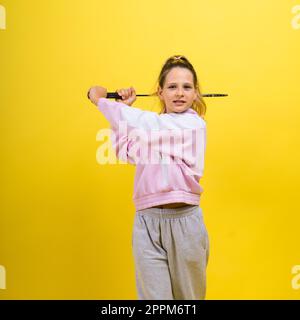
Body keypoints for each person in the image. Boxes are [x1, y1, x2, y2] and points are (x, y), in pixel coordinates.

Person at [87, 55, 210, 300]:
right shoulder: (152, 129)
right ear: (159, 92)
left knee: (189, 301)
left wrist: (99, 99)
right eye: (172, 87)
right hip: (147, 223)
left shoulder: (192, 125)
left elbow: (144, 124)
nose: (179, 93)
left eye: (187, 87)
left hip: (184, 223)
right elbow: (126, 151)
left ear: (196, 93)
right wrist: (125, 109)